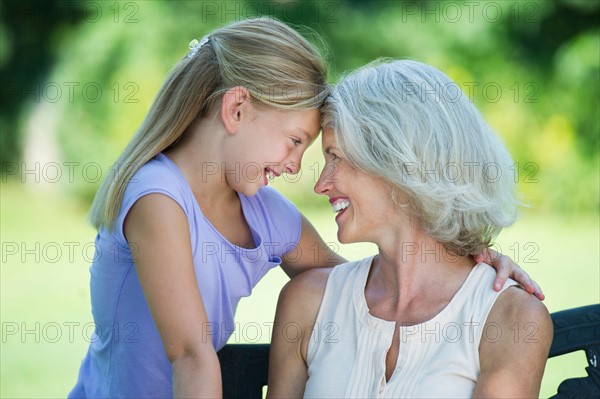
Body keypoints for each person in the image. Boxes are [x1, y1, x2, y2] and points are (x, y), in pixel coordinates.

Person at [68, 18, 542, 398]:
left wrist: (474, 259)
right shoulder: (157, 198)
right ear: (236, 110)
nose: (302, 171)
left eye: (322, 152)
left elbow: (370, 286)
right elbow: (191, 356)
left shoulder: (264, 214)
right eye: (297, 143)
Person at [267, 60, 553, 398]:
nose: (321, 185)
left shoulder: (512, 317)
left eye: (336, 157)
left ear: (399, 165)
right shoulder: (307, 302)